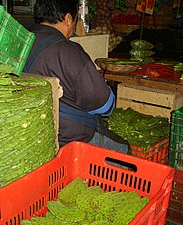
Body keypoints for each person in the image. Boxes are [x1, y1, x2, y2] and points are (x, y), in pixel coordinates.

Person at [23, 0, 131, 155]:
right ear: (68, 19)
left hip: (34, 129)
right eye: (75, 21)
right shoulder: (68, 50)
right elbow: (106, 106)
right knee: (124, 149)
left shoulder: (22, 42)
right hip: (68, 136)